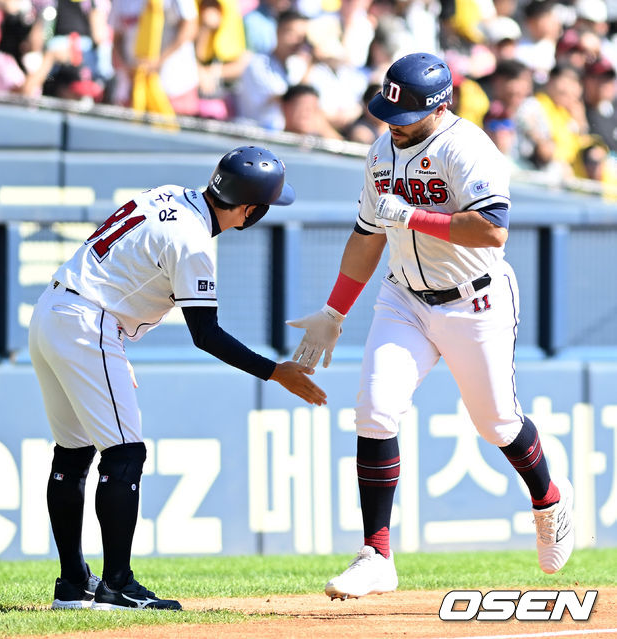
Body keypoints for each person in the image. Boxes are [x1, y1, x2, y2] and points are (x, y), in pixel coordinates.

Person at [287, 52, 575, 600]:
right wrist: (333, 312)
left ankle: (548, 501)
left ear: (438, 107)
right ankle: (376, 554)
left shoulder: (467, 148)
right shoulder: (379, 151)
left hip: (475, 300)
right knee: (373, 408)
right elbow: (367, 236)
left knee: (496, 423)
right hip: (404, 298)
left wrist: (414, 216)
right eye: (386, 111)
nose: (392, 124)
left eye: (405, 114)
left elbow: (492, 231)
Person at [29, 145, 327, 611]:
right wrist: (276, 372)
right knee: (125, 454)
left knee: (73, 452)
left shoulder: (168, 194)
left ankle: (72, 584)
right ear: (249, 210)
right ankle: (117, 585)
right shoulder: (193, 243)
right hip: (91, 322)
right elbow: (205, 334)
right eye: (263, 207)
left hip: (52, 310)